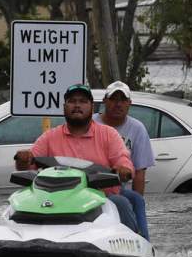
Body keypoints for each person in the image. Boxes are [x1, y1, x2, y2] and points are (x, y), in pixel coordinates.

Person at [14, 83, 139, 233]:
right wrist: (23, 159)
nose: (77, 105)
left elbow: (124, 161)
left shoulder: (109, 134)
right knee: (18, 199)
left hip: (100, 200)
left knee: (121, 203)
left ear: (92, 107)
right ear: (64, 107)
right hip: (56, 200)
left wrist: (123, 169)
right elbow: (27, 164)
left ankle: (133, 245)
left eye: (83, 101)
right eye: (72, 101)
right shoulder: (50, 136)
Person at [93, 80, 155, 240]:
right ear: (105, 101)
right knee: (122, 201)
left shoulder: (137, 128)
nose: (118, 104)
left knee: (136, 200)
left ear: (129, 104)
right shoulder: (91, 124)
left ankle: (142, 240)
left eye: (123, 100)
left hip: (117, 188)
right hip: (90, 185)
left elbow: (140, 172)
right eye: (113, 99)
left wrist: (136, 203)